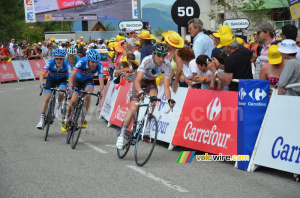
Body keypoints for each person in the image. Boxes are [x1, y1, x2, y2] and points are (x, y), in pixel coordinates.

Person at [116, 43, 176, 149]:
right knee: (134, 108)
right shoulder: (147, 60)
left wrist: (169, 99)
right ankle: (121, 134)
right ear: (153, 54)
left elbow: (166, 87)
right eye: (159, 55)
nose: (161, 58)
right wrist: (140, 92)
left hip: (150, 83)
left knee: (154, 98)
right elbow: (138, 80)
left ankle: (146, 125)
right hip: (139, 81)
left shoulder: (167, 65)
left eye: (164, 55)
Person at [61, 49, 104, 132]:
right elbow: (71, 76)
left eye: (96, 62)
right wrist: (71, 86)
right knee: (73, 100)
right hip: (77, 80)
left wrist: (99, 91)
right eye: (92, 62)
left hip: (88, 81)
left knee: (88, 94)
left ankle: (84, 116)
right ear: (88, 60)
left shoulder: (99, 65)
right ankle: (66, 119)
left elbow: (101, 82)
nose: (94, 64)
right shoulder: (81, 61)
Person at [36, 49, 70, 129]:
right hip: (51, 79)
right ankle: (42, 119)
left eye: (61, 58)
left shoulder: (66, 65)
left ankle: (59, 105)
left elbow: (71, 76)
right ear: (54, 58)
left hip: (62, 80)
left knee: (61, 93)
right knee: (47, 96)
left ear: (64, 58)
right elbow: (42, 74)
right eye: (57, 58)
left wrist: (70, 86)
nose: (58, 60)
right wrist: (42, 83)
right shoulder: (50, 62)